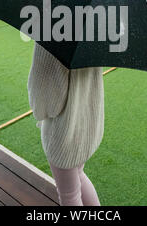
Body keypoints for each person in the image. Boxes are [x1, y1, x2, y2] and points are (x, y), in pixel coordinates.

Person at [27, 43, 104, 206]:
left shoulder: (50, 29)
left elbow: (45, 93)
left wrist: (39, 111)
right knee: (78, 175)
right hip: (86, 123)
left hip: (63, 131)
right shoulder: (97, 25)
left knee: (69, 195)